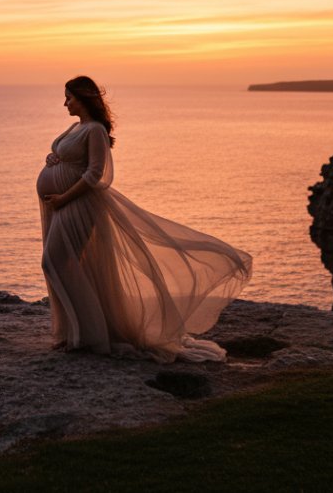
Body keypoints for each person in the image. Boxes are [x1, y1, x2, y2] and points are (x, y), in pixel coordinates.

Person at [37, 76, 252, 363]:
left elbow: (96, 174)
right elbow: (72, 159)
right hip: (63, 205)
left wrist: (64, 198)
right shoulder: (77, 127)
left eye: (69, 97)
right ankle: (75, 333)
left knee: (54, 262)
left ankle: (87, 335)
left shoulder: (96, 130)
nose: (65, 103)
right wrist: (55, 160)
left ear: (84, 97)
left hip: (79, 206)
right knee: (68, 265)